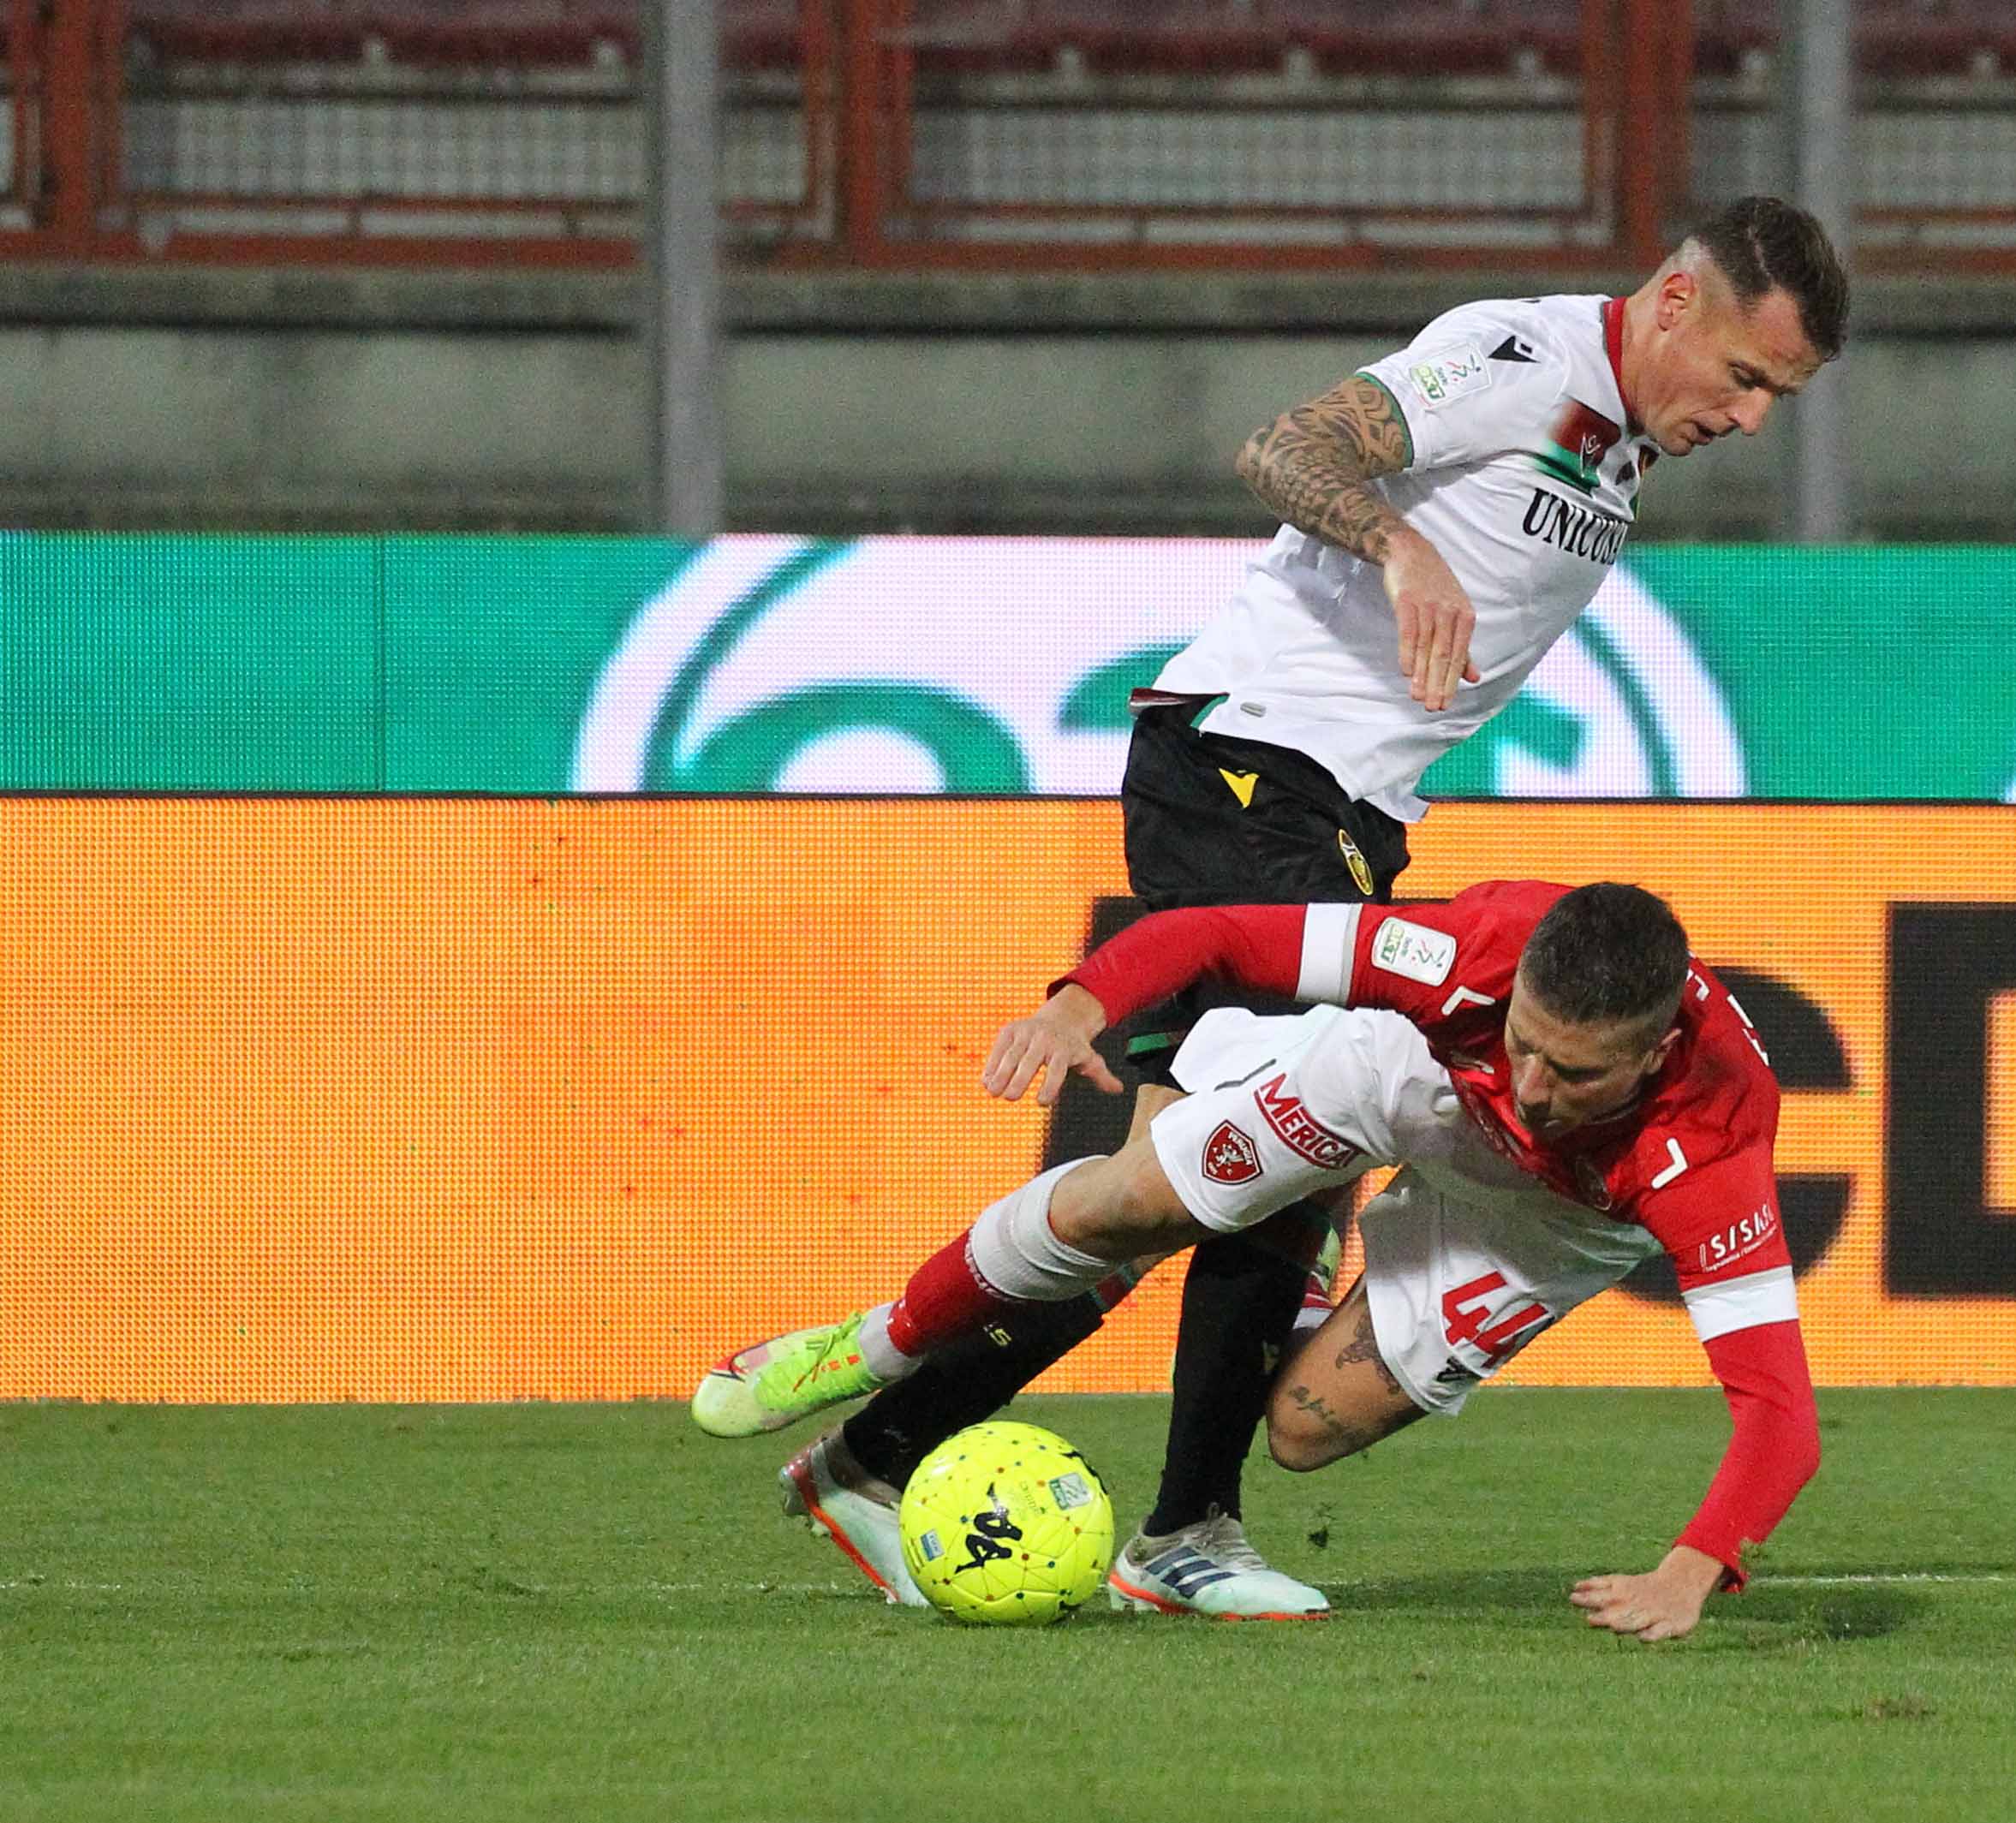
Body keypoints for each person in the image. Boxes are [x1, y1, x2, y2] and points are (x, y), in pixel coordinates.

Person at [695, 194, 1847, 1621]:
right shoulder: (1521, 357)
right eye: (1745, 375)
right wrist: (1401, 546)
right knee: (1292, 1152)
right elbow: (1287, 448)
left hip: (1327, 804)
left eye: (1777, 397)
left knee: (1161, 1194)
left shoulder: (1617, 440)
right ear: (1674, 302)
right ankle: (1183, 1528)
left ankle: (872, 1453)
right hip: (1258, 771)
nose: (1750, 416)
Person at [695, 879, 1820, 1642]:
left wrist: (1693, 1569)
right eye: (1526, 1043)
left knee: (1302, 1431)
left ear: (1655, 1052)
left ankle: (1300, 1239)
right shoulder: (1468, 953)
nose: (1532, 1087)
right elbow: (1223, 932)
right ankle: (878, 1344)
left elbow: (1781, 1416)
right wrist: (1081, 1002)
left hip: (1559, 1218)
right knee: (1124, 1205)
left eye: (1574, 1074)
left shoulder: (1709, 1152)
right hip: (1413, 1077)